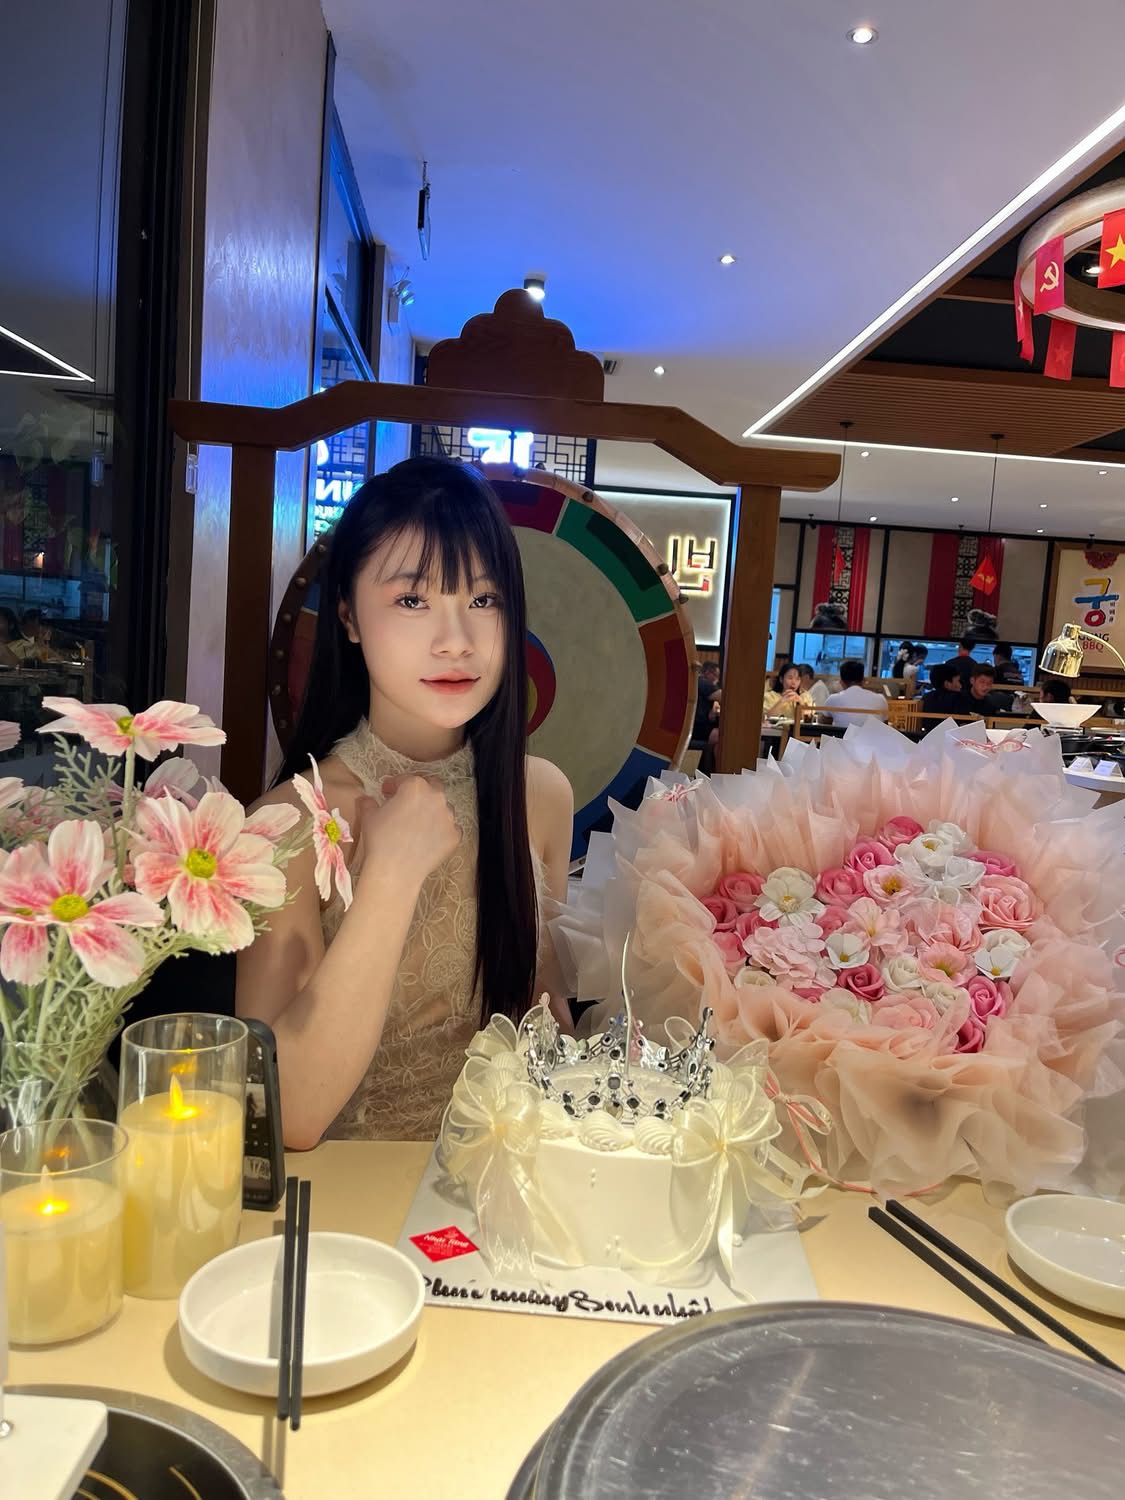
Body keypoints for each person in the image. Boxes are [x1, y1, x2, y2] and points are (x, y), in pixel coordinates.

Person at [236, 457, 575, 1148]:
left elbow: (544, 1019)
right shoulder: (289, 822)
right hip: (357, 1197)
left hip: (512, 1186)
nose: (456, 641)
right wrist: (390, 875)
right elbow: (278, 1115)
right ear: (349, 616)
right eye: (412, 600)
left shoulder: (539, 795)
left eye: (483, 600)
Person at [823, 660, 888, 728]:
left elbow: (822, 723)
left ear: (841, 683)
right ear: (863, 681)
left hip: (844, 735)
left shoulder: (833, 699)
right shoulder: (881, 699)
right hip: (872, 735)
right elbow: (885, 726)